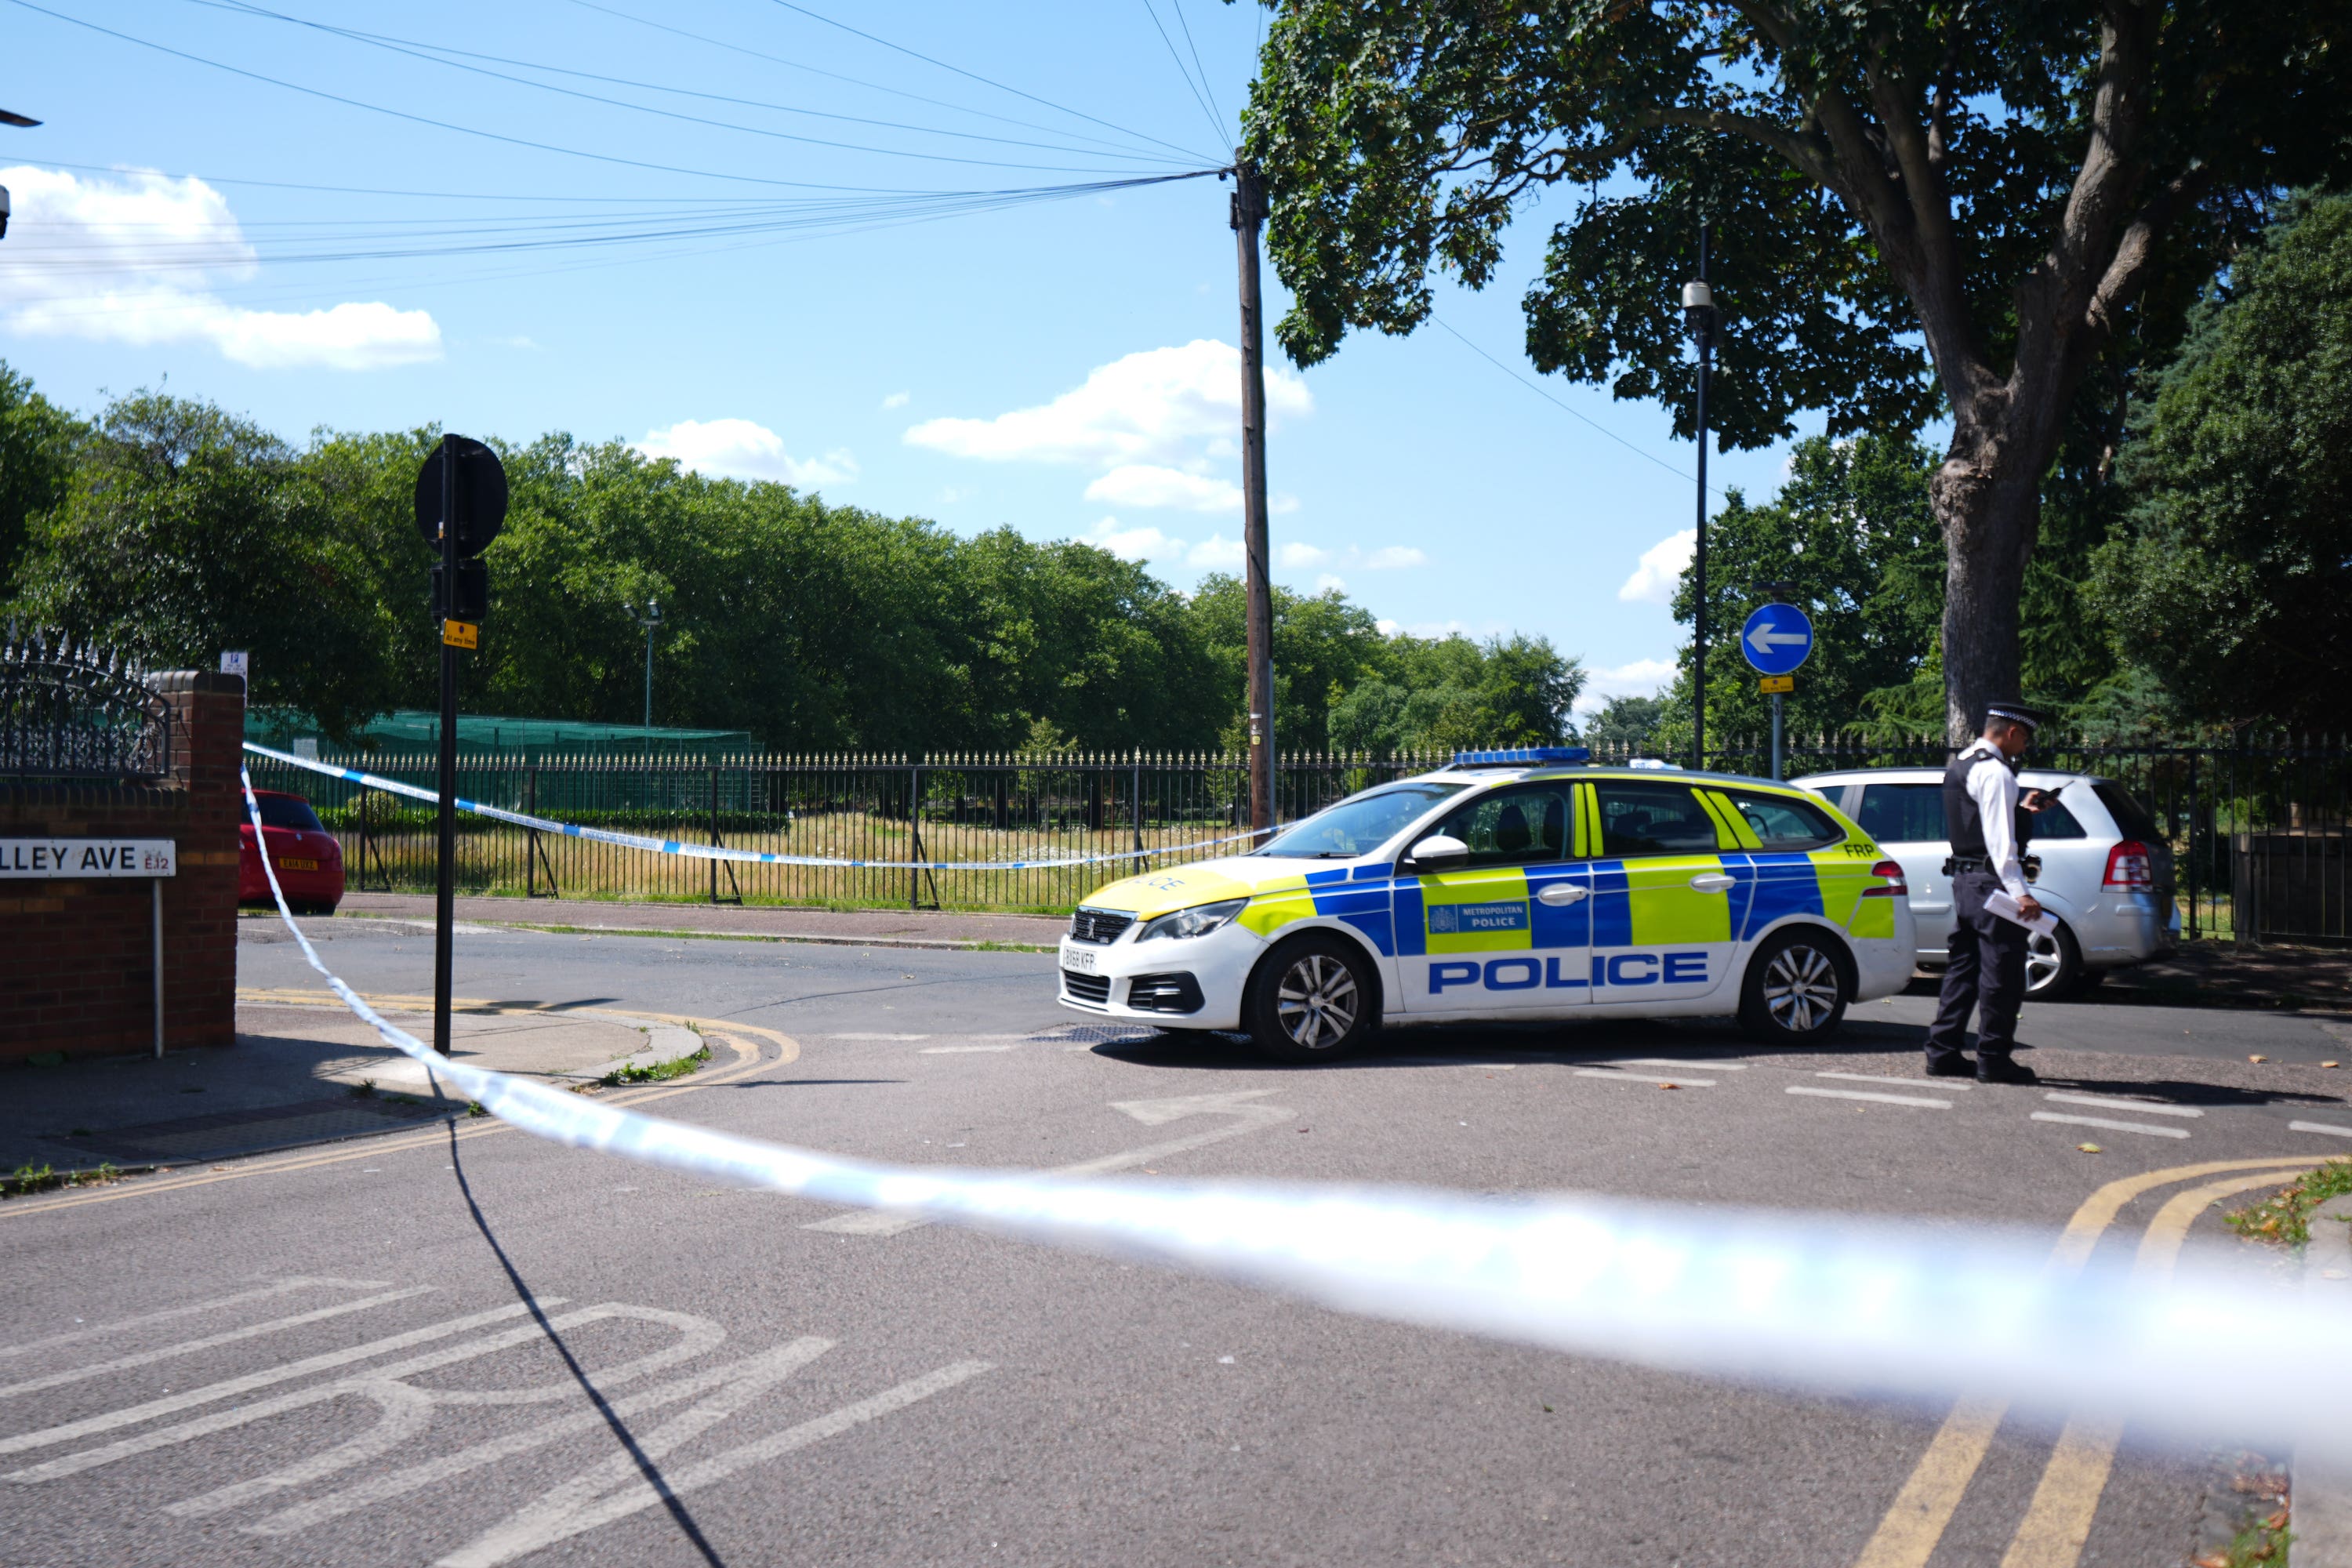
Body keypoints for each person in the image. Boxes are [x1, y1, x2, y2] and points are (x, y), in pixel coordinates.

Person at [1923, 702, 2054, 1084]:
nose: (2024, 748)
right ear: (2012, 732)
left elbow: (1978, 824)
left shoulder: (1962, 764)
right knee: (2003, 973)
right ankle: (1994, 1059)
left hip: (1965, 882)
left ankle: (1943, 1051)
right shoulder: (1996, 773)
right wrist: (2021, 892)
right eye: (2024, 739)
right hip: (1991, 882)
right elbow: (2000, 842)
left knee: (1964, 970)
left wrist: (2023, 810)